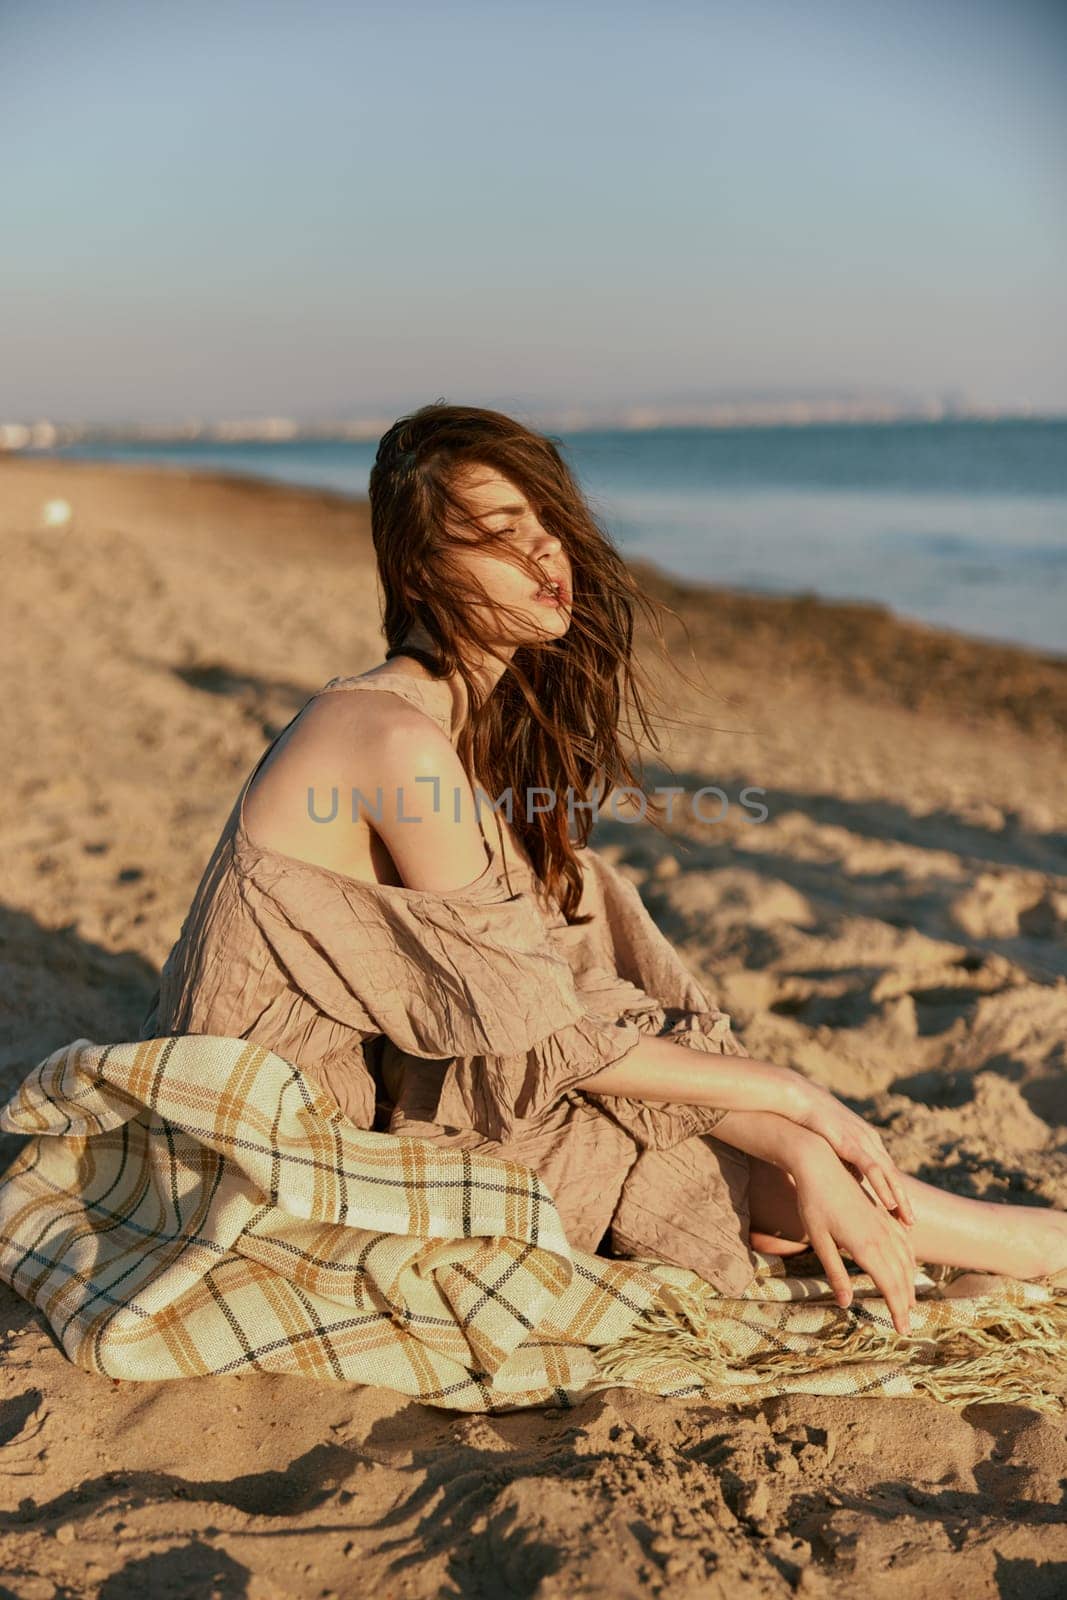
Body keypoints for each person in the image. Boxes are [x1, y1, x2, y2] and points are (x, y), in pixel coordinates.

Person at [141, 401, 1067, 1340]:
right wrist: (793, 1101)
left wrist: (775, 1116)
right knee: (635, 1128)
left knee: (587, 922)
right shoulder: (389, 737)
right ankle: (1018, 1247)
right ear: (423, 571)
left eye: (548, 523)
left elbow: (538, 1005)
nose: (547, 554)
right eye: (504, 533)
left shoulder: (438, 726)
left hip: (346, 1101)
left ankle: (992, 1244)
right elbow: (541, 1040)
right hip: (263, 1160)